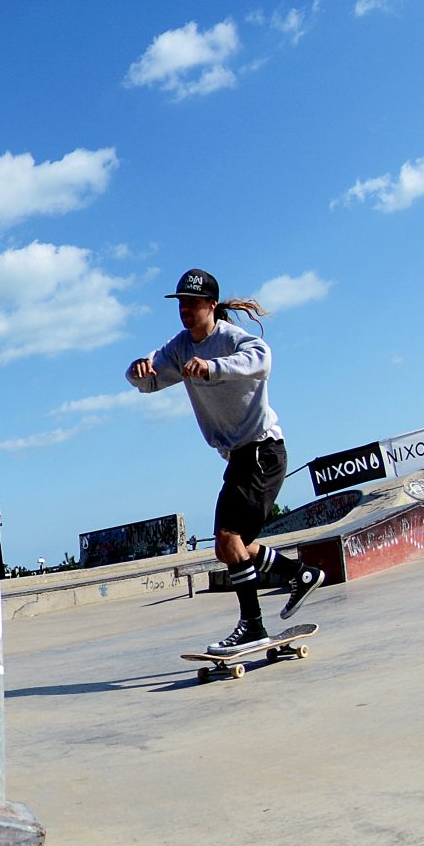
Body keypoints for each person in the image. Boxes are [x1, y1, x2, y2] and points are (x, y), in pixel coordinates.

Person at [126, 268, 324, 658]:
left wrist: (212, 368)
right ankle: (299, 574)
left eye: (193, 304)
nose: (186, 310)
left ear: (211, 306)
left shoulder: (232, 339)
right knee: (232, 547)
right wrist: (137, 370)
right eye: (181, 304)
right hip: (238, 459)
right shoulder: (179, 346)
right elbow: (149, 379)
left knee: (229, 541)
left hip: (264, 452)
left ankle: (253, 626)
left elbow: (263, 361)